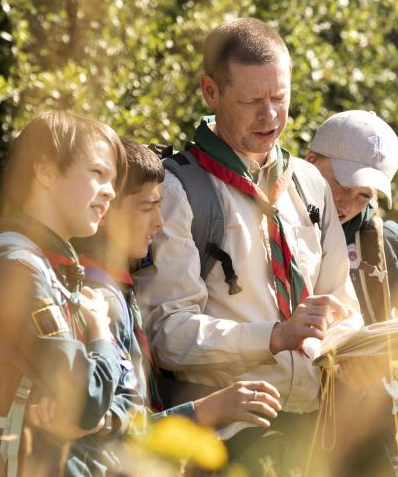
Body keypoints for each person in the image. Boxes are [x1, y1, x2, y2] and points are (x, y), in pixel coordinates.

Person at [133, 18, 377, 475]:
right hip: (221, 440)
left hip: (310, 430)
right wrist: (274, 336)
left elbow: (339, 305)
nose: (270, 116)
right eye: (251, 100)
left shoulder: (307, 182)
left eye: (279, 98)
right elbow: (166, 334)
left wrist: (356, 349)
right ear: (210, 91)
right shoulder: (178, 189)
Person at [67, 138, 283, 472]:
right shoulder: (99, 298)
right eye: (147, 207)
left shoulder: (119, 288)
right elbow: (105, 428)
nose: (160, 221)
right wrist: (207, 410)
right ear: (105, 209)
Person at [0, 111, 129, 476]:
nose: (111, 191)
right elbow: (85, 398)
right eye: (98, 174)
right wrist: (100, 329)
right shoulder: (18, 270)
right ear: (46, 171)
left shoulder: (36, 265)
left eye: (113, 180)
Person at [304, 110, 398, 476]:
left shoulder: (382, 240)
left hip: (367, 429)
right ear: (310, 161)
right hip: (289, 418)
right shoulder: (271, 224)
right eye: (340, 185)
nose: (346, 204)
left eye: (363, 195)